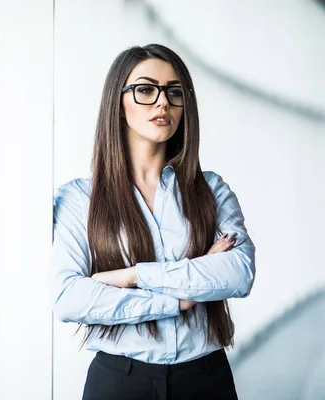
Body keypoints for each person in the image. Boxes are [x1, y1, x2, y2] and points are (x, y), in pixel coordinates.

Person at [50, 44, 256, 400]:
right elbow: (70, 298)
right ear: (118, 101)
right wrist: (178, 299)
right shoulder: (79, 199)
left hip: (205, 379)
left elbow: (238, 272)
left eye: (174, 93)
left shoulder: (211, 190)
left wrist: (133, 276)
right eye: (146, 90)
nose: (163, 103)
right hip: (119, 381)